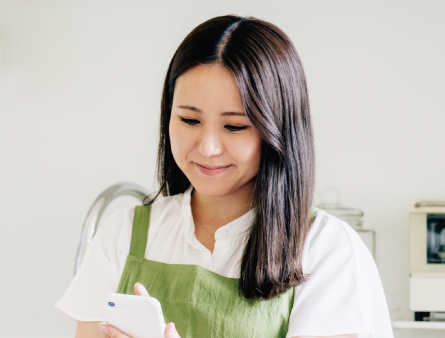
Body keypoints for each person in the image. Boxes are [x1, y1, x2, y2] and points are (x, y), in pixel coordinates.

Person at [55, 15, 393, 338]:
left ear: (278, 132)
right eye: (189, 120)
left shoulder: (326, 249)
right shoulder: (122, 235)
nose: (208, 147)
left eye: (234, 126)